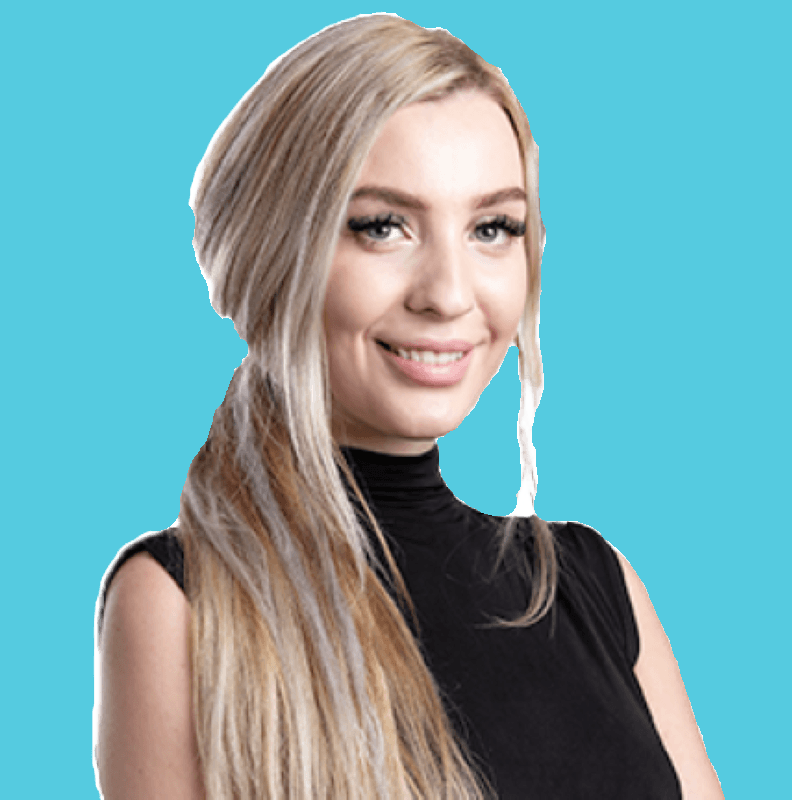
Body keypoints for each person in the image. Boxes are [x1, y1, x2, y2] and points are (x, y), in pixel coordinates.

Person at [94, 14, 723, 800]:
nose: (450, 294)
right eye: (382, 227)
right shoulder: (184, 603)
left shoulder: (597, 586)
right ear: (270, 250)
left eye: (493, 228)